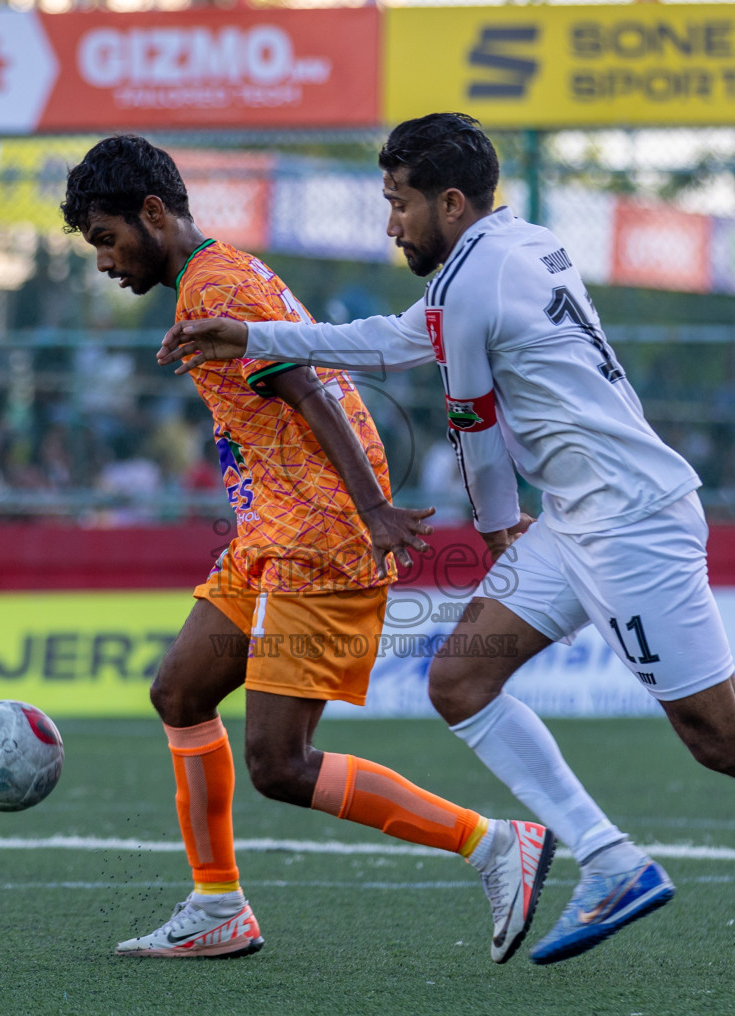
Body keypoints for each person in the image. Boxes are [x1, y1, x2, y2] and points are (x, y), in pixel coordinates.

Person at [160, 113, 735, 983]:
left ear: (452, 202)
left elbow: (472, 422)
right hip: (582, 519)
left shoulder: (470, 284)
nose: (390, 224)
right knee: (460, 680)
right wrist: (259, 335)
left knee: (720, 736)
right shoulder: (516, 245)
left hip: (632, 525)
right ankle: (608, 860)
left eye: (399, 204)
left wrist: (499, 522)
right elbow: (399, 339)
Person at [61, 135, 554, 962]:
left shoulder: (215, 284)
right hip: (271, 533)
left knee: (280, 764)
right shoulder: (220, 276)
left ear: (153, 213)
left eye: (107, 239)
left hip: (319, 537)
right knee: (181, 693)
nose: (106, 262)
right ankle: (217, 906)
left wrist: (372, 510)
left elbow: (302, 383)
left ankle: (494, 844)